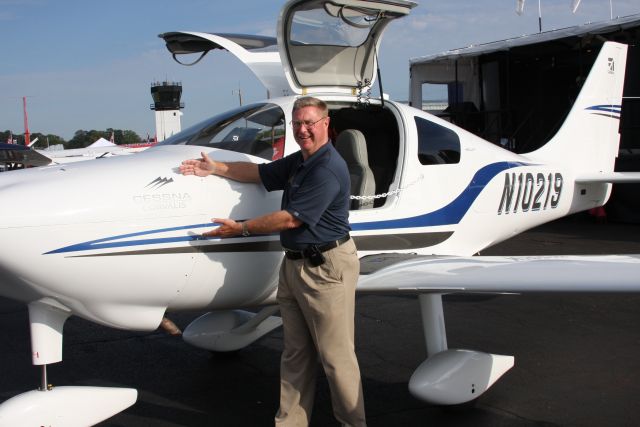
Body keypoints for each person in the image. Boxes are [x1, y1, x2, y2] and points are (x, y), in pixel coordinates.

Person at [179, 97, 366, 426]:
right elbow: (260, 173)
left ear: (326, 124)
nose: (303, 129)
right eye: (297, 124)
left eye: (309, 122)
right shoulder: (301, 161)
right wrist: (217, 168)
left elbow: (292, 219)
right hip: (294, 265)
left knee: (336, 358)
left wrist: (241, 228)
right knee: (295, 355)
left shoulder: (327, 168)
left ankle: (353, 423)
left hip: (326, 268)